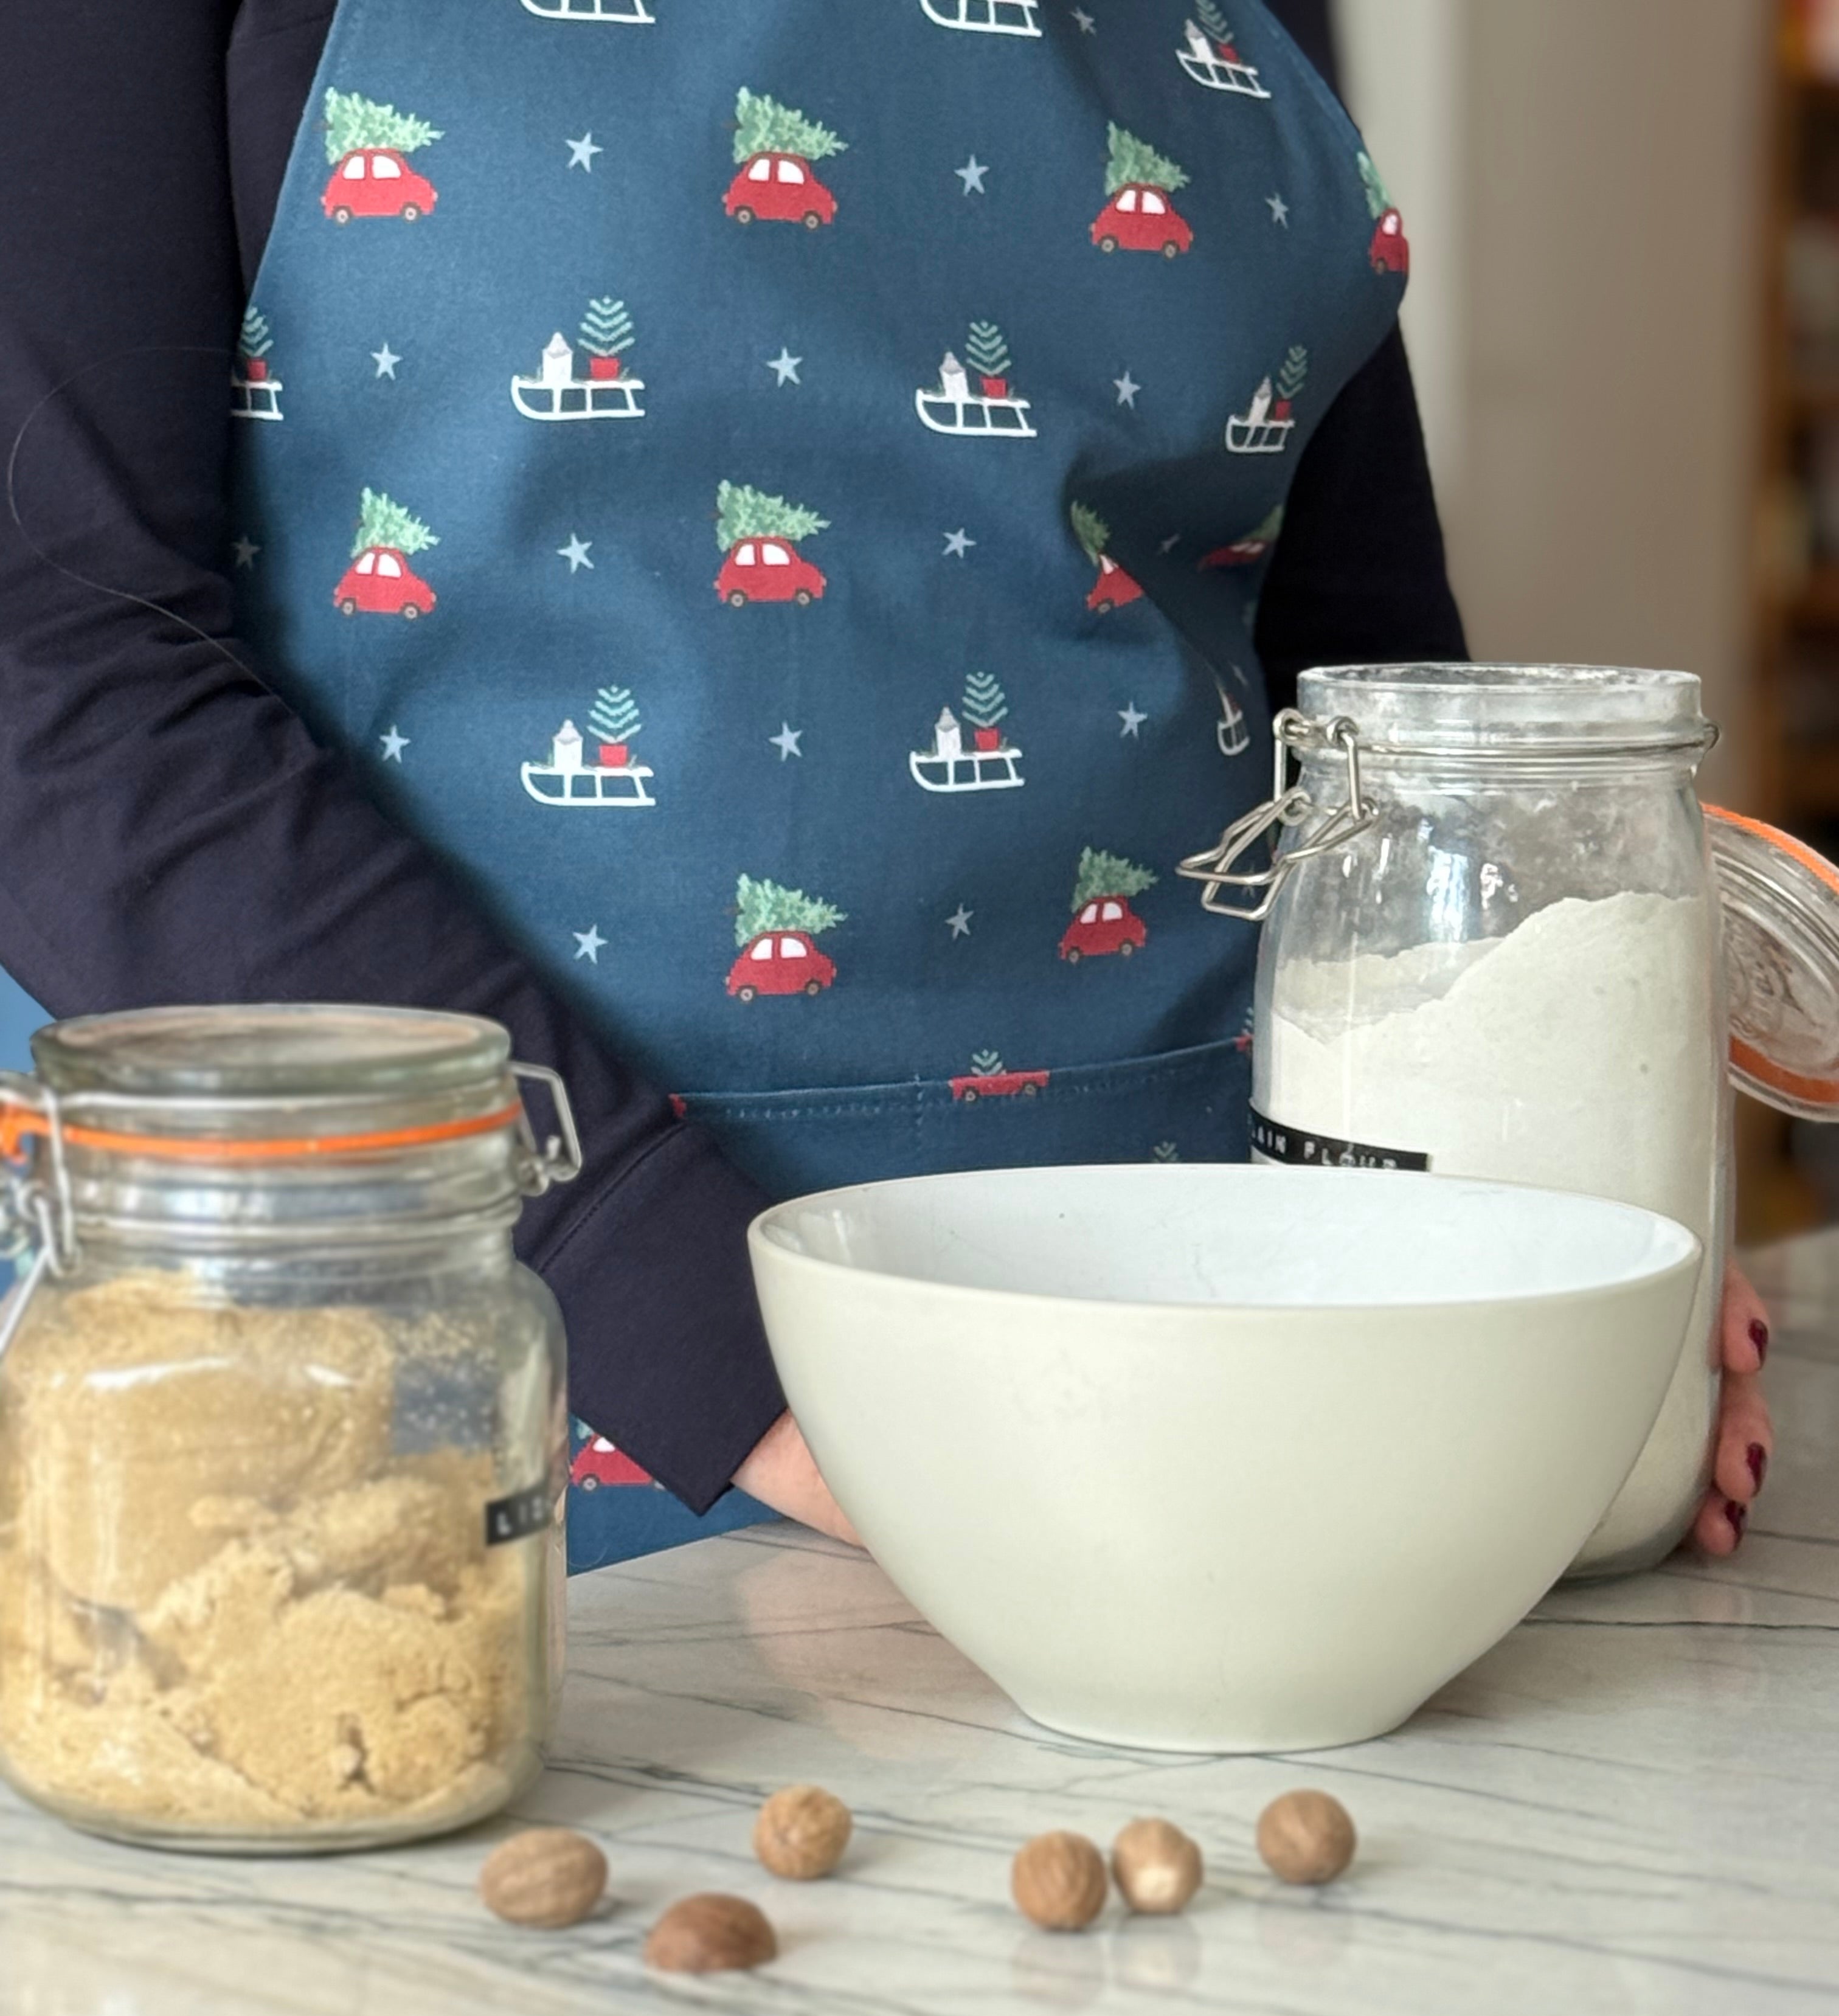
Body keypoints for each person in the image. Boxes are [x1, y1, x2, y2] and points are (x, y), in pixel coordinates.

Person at [0, 1, 1769, 1572]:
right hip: (447, 1443)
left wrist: (1548, 1219)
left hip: (1235, 1424)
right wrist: (771, 1382)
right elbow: (57, 676)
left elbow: (1364, 687)